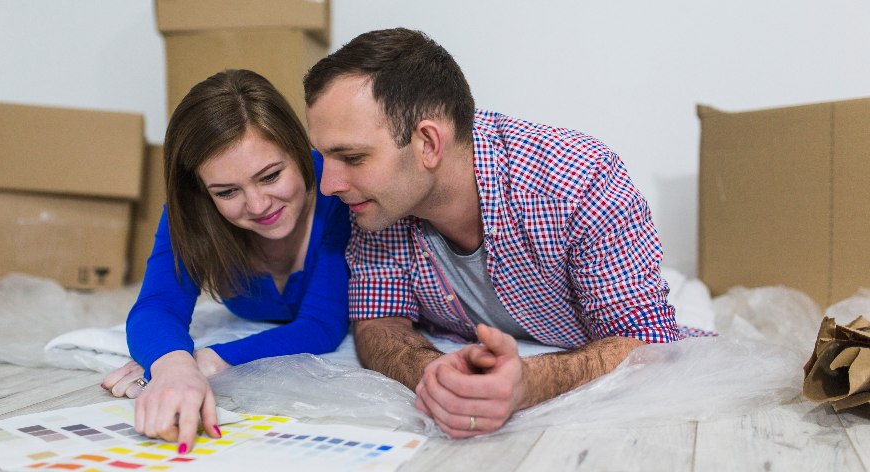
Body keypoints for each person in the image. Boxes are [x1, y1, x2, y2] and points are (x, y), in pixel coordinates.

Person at [303, 28, 685, 439]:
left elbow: (649, 343)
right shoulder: (378, 204)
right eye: (326, 157)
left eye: (352, 157)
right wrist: (433, 373)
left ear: (428, 143)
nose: (329, 185)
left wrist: (530, 382)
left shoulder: (576, 181)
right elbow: (378, 320)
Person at [101, 69, 350, 453]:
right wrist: (171, 364)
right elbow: (157, 305)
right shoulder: (193, 211)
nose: (257, 205)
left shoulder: (339, 187)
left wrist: (204, 361)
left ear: (300, 149)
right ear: (202, 191)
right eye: (227, 191)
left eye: (270, 176)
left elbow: (322, 325)